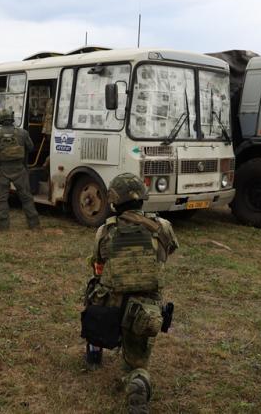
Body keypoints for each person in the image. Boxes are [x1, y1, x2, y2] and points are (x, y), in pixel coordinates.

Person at [80, 173, 179, 414]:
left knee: (94, 288)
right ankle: (137, 380)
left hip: (110, 309)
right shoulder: (162, 227)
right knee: (135, 364)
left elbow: (98, 264)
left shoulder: (105, 231)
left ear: (113, 201)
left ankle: (94, 350)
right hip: (144, 312)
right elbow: (169, 251)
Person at [0, 109, 39, 230]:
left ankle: (3, 227)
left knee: (1, 198)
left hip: (3, 170)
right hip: (19, 169)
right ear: (12, 118)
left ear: (0, 119)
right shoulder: (23, 133)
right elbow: (31, 147)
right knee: (26, 197)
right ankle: (34, 224)